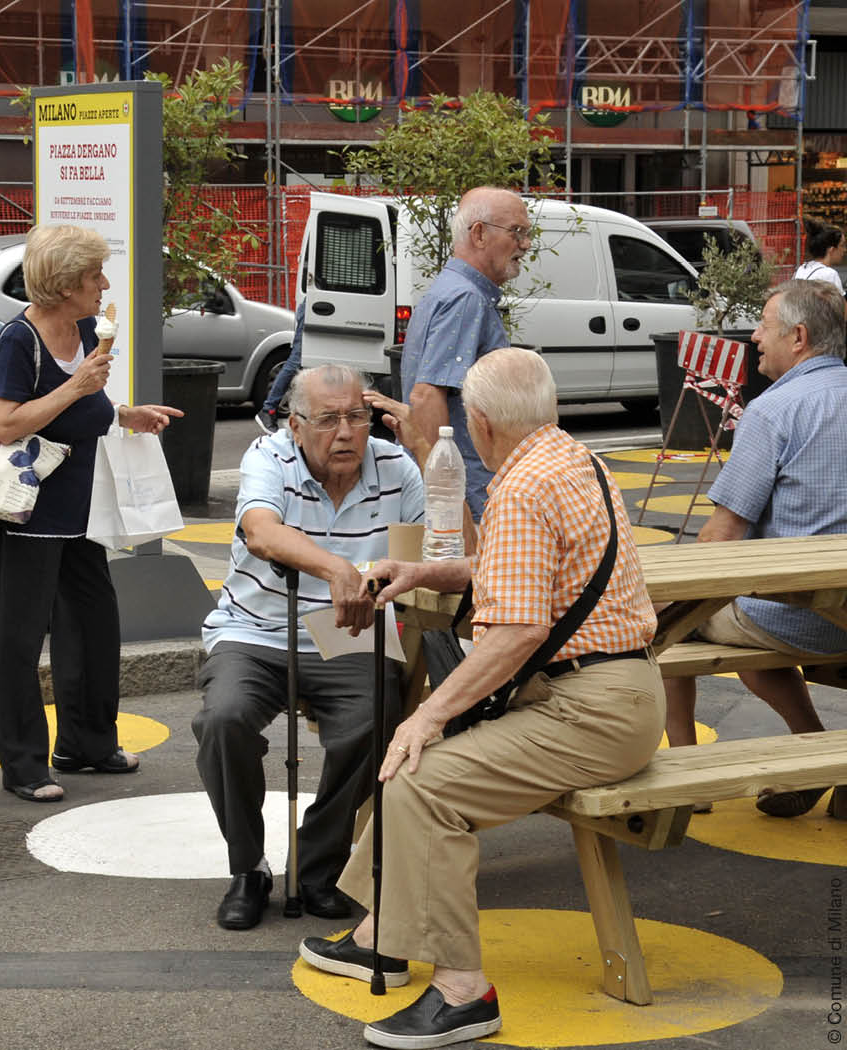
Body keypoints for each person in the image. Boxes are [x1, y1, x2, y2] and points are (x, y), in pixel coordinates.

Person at [298, 348, 664, 1049]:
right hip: (618, 692)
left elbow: (518, 630)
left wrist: (428, 714)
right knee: (410, 766)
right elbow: (521, 564)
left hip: (592, 706)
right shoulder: (573, 460)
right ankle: (383, 935)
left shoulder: (522, 487)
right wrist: (426, 569)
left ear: (484, 423)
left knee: (419, 782)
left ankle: (463, 992)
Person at [194, 363, 424, 931]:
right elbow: (262, 532)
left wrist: (426, 450)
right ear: (296, 426)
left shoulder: (397, 466)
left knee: (377, 718)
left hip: (348, 633)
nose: (346, 432)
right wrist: (337, 569)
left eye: (357, 416)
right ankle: (248, 867)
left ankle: (318, 866)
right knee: (224, 720)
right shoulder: (269, 457)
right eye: (328, 419)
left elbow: (443, 550)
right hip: (255, 628)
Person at [0, 223, 182, 803]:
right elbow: (6, 422)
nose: (104, 283)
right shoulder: (19, 339)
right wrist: (75, 387)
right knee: (19, 642)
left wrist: (126, 414)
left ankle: (87, 743)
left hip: (81, 512)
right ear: (65, 283)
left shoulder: (90, 328)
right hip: (25, 515)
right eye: (93, 275)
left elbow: (86, 405)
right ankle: (23, 765)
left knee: (95, 628)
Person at [662, 278, 847, 818]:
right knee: (745, 613)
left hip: (796, 614)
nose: (754, 338)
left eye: (764, 326)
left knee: (671, 620)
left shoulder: (773, 411)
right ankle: (819, 754)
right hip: (840, 607)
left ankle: (689, 781)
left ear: (799, 336)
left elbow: (722, 536)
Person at [400, 186, 530, 522]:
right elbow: (426, 395)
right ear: (479, 234)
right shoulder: (465, 298)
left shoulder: (454, 290)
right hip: (469, 497)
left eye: (527, 234)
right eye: (517, 232)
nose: (526, 245)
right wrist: (446, 494)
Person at [254, 297, 305, 434]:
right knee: (297, 361)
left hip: (314, 309)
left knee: (304, 365)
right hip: (313, 310)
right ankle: (268, 410)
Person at [792, 217, 845, 296]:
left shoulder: (802, 268)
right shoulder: (830, 274)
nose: (844, 250)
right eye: (842, 245)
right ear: (831, 250)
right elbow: (842, 307)